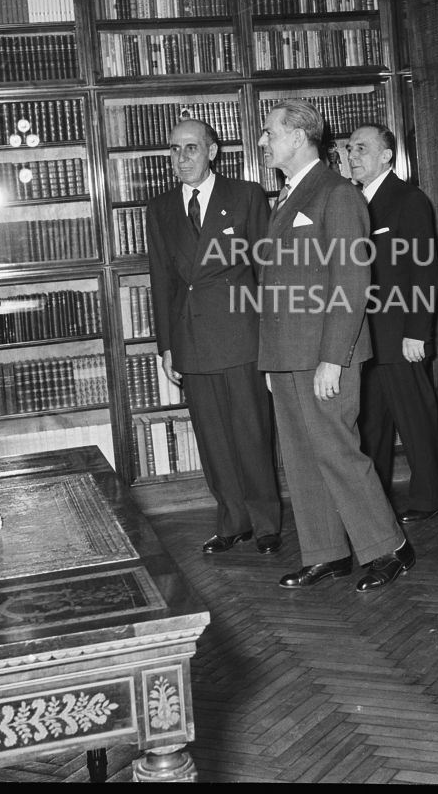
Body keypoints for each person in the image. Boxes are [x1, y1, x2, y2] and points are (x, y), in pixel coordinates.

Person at [256, 99, 414, 592]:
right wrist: (272, 360)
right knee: (302, 456)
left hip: (326, 353)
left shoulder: (337, 195)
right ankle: (326, 552)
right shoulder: (284, 197)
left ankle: (390, 547)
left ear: (300, 136)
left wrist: (333, 358)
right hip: (287, 353)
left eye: (270, 133)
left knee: (339, 453)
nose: (263, 142)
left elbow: (350, 281)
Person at [146, 117, 281, 556]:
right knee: (212, 436)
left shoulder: (245, 196)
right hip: (192, 340)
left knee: (251, 431)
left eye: (190, 148)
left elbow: (269, 271)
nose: (181, 158)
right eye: (174, 149)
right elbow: (162, 281)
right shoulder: (161, 208)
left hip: (242, 334)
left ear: (212, 151)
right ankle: (232, 520)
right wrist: (166, 347)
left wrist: (272, 341)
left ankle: (265, 524)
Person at [346, 123, 438, 521]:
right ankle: (374, 506)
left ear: (387, 155)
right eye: (349, 149)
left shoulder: (408, 200)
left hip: (401, 336)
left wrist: (417, 333)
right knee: (370, 428)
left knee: (415, 421)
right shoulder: (352, 201)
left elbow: (426, 271)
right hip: (364, 339)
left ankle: (433, 498)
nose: (352, 156)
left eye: (362, 148)